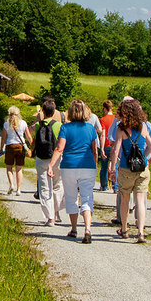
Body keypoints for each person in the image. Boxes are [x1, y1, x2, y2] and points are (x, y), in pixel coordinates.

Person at [47, 99, 99, 244]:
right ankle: (87, 229)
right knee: (87, 197)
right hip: (87, 165)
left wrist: (51, 165)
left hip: (69, 166)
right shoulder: (90, 129)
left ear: (70, 112)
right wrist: (94, 164)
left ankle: (74, 228)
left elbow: (60, 148)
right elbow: (95, 150)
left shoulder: (65, 128)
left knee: (71, 197)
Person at [109, 99, 151, 243]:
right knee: (140, 200)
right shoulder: (143, 127)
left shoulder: (121, 129)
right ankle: (141, 232)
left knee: (125, 199)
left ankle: (124, 228)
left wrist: (112, 168)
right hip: (142, 168)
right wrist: (144, 157)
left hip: (125, 168)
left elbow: (116, 150)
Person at [32, 98, 64, 226]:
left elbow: (32, 137)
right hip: (55, 159)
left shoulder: (39, 125)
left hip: (41, 159)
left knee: (44, 188)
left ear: (43, 112)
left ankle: (50, 218)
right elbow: (62, 144)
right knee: (57, 185)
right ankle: (56, 213)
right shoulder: (59, 125)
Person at [0, 105, 33, 196]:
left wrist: (1, 149)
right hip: (20, 147)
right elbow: (28, 136)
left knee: (9, 167)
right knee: (19, 169)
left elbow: (3, 138)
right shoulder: (23, 123)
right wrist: (32, 147)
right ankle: (18, 189)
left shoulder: (6, 124)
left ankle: (11, 184)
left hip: (10, 146)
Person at [98, 100, 115, 191]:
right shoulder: (116, 118)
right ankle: (115, 186)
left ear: (105, 108)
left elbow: (103, 134)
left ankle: (104, 186)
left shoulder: (103, 119)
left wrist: (102, 148)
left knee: (104, 167)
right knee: (114, 165)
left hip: (106, 144)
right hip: (115, 145)